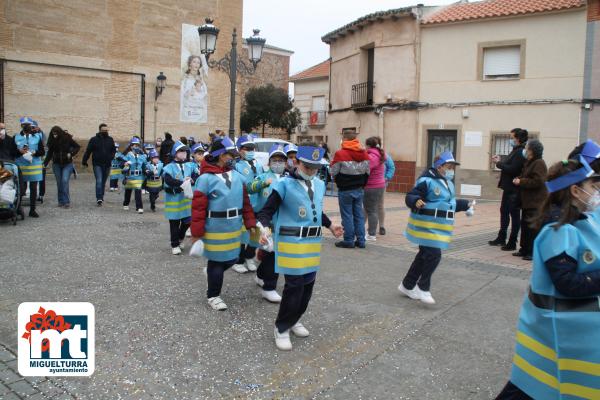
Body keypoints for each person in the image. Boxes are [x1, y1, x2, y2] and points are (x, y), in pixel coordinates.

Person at [495, 157, 600, 400]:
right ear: (575, 190)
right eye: (593, 187)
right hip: (555, 330)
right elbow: (568, 283)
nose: (597, 193)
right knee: (529, 387)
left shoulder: (581, 222)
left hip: (573, 332)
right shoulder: (558, 230)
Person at [257, 143, 343, 350]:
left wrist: (331, 226)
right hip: (291, 242)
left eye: (315, 167)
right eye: (307, 167)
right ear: (295, 163)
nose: (311, 171)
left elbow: (316, 211)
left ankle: (295, 319)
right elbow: (266, 211)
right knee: (294, 286)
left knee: (307, 287)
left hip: (312, 244)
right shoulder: (284, 185)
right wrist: (265, 229)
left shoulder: (320, 184)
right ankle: (281, 327)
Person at [190, 137, 257, 310]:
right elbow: (198, 209)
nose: (233, 157)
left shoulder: (237, 176)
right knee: (217, 262)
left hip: (234, 226)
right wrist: (196, 234)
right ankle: (213, 295)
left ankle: (212, 273)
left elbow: (246, 202)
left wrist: (250, 223)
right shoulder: (205, 179)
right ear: (220, 155)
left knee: (233, 258)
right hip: (215, 226)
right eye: (229, 154)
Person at [399, 151, 473, 304]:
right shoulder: (426, 181)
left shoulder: (447, 182)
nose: (451, 169)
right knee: (434, 255)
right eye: (449, 166)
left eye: (453, 166)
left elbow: (449, 203)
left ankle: (407, 285)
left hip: (437, 228)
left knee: (423, 256)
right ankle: (422, 287)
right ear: (439, 166)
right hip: (425, 227)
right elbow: (411, 195)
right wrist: (416, 200)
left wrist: (466, 205)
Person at [247, 144, 289, 303]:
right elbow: (250, 188)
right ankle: (269, 287)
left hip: (283, 222)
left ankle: (262, 278)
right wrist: (262, 184)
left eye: (281, 160)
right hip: (264, 221)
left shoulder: (289, 178)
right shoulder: (263, 176)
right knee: (270, 252)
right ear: (269, 162)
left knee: (274, 253)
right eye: (275, 160)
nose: (278, 163)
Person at [489, 128, 528, 250]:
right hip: (508, 187)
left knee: (514, 215)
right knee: (504, 211)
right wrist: (500, 161)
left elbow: (514, 169)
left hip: (514, 189)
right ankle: (501, 237)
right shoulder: (515, 151)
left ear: (517, 139)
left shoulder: (521, 152)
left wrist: (499, 164)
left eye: (511, 138)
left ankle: (512, 241)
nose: (510, 140)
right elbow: (510, 164)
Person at [330, 130, 370, 249]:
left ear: (345, 139)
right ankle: (361, 241)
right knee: (359, 215)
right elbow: (368, 172)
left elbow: (333, 172)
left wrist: (338, 179)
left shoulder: (340, 154)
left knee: (347, 215)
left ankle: (348, 240)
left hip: (345, 189)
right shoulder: (364, 154)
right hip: (359, 189)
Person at [232, 134, 264, 274]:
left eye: (252, 148)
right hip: (244, 204)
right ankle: (238, 260)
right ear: (239, 150)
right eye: (247, 148)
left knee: (256, 233)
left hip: (259, 204)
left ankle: (249, 257)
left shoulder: (259, 164)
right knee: (243, 234)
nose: (250, 150)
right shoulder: (236, 166)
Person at [511, 139, 547, 261]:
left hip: (535, 202)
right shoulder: (529, 162)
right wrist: (519, 179)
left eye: (526, 147)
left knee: (532, 228)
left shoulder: (539, 163)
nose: (525, 150)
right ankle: (524, 249)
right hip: (527, 202)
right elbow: (526, 176)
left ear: (532, 150)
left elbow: (538, 181)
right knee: (525, 227)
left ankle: (532, 252)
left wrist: (521, 181)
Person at [163, 141, 195, 255]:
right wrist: (182, 183)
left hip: (186, 200)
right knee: (174, 223)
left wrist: (192, 180)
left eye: (185, 151)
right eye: (181, 151)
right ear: (175, 153)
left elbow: (195, 176)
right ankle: (174, 244)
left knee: (188, 221)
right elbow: (168, 180)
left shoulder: (189, 165)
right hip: (174, 200)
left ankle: (180, 238)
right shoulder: (169, 167)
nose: (184, 153)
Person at [43, 126, 80, 208]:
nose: (55, 135)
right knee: (59, 183)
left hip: (67, 164)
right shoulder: (52, 140)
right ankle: (61, 201)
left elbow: (77, 146)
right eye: (53, 134)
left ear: (59, 133)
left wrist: (71, 153)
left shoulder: (67, 138)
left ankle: (66, 201)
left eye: (56, 134)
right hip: (56, 164)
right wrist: (44, 164)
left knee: (64, 181)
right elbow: (49, 154)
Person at [14, 117, 45, 217]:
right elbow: (12, 152)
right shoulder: (16, 137)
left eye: (29, 125)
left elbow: (42, 152)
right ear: (21, 126)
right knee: (21, 189)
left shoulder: (37, 137)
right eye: (25, 125)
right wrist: (19, 151)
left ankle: (32, 209)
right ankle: (18, 208)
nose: (27, 127)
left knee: (33, 189)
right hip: (21, 166)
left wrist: (34, 152)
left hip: (34, 166)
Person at [82, 123, 116, 206]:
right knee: (99, 180)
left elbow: (113, 150)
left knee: (103, 182)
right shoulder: (94, 139)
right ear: (100, 130)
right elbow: (88, 151)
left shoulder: (110, 139)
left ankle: (101, 196)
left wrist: (111, 157)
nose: (105, 131)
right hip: (97, 164)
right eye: (103, 130)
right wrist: (84, 161)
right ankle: (99, 198)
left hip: (107, 164)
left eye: (106, 130)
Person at [363, 136, 386, 241]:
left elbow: (365, 169)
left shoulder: (372, 156)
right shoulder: (379, 154)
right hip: (380, 185)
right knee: (373, 209)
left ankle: (371, 234)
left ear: (368, 145)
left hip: (372, 186)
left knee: (371, 210)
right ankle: (370, 232)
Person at [121, 137, 147, 213]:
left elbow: (145, 165)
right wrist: (125, 164)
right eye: (134, 145)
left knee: (138, 191)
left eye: (138, 145)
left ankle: (139, 207)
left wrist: (146, 170)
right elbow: (122, 163)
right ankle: (126, 203)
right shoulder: (128, 155)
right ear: (131, 146)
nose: (136, 147)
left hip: (138, 176)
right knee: (128, 191)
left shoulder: (142, 156)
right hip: (129, 176)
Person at [380, 139, 395, 235]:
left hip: (381, 184)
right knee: (366, 206)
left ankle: (381, 226)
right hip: (368, 185)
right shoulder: (367, 154)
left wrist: (387, 178)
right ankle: (362, 226)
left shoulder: (385, 156)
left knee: (379, 205)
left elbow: (392, 167)